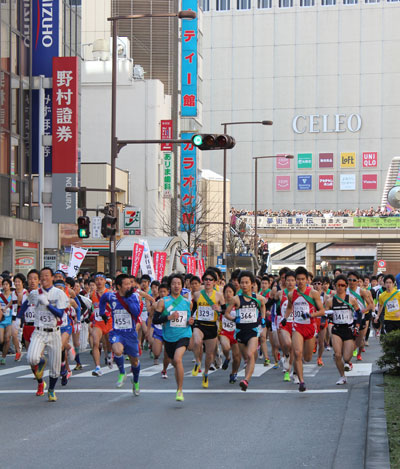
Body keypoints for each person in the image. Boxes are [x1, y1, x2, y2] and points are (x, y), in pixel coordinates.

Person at [26, 267, 70, 401]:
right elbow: (25, 304)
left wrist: (48, 304)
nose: (44, 278)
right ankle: (41, 362)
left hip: (54, 332)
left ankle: (51, 390)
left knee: (55, 368)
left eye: (47, 275)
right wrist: (19, 317)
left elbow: (60, 314)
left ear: (52, 278)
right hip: (39, 330)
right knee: (31, 358)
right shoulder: (35, 293)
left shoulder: (59, 293)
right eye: (42, 276)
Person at [99, 273, 142, 395]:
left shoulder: (133, 296)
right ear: (118, 286)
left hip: (130, 333)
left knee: (134, 361)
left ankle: (136, 381)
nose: (129, 286)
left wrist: (128, 299)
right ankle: (122, 373)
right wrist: (102, 312)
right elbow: (102, 299)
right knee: (117, 350)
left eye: (130, 283)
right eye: (126, 284)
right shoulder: (111, 296)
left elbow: (136, 312)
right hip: (117, 331)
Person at [153, 274, 194, 402]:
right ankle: (178, 386)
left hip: (184, 334)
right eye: (174, 283)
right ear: (170, 285)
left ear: (182, 286)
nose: (176, 286)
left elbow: (189, 319)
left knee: (178, 359)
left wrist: (191, 322)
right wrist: (168, 318)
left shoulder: (188, 303)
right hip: (169, 337)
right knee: (175, 362)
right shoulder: (163, 302)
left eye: (179, 284)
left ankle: (180, 390)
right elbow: (155, 320)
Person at [225, 270, 266, 391]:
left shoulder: (257, 298)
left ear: (252, 284)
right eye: (242, 282)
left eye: (246, 282)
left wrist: (262, 318)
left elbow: (262, 305)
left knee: (250, 354)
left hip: (253, 330)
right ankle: (246, 377)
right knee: (246, 358)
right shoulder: (236, 299)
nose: (244, 285)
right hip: (240, 331)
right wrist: (233, 319)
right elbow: (227, 313)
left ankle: (246, 380)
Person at [285, 267, 325, 392]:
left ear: (307, 280)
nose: (300, 281)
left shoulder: (313, 293)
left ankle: (300, 364)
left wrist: (311, 315)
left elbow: (322, 311)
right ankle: (301, 381)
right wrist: (285, 318)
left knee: (307, 358)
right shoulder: (292, 294)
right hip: (297, 327)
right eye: (298, 279)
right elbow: (289, 308)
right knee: (297, 353)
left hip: (310, 327)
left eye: (303, 279)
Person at [191, 270, 225, 388]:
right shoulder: (197, 294)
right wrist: (190, 317)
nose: (208, 282)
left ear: (215, 282)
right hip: (199, 324)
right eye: (206, 279)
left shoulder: (219, 296)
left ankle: (205, 374)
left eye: (210, 280)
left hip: (211, 326)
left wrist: (219, 309)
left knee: (210, 354)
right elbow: (193, 308)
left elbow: (225, 310)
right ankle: (197, 362)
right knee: (197, 341)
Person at [324, 275, 360, 385]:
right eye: (338, 285)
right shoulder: (330, 301)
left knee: (347, 357)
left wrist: (357, 325)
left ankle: (348, 362)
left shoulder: (351, 299)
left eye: (342, 285)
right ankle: (342, 376)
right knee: (338, 355)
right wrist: (328, 317)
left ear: (346, 287)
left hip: (348, 329)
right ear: (334, 286)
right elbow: (325, 314)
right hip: (336, 329)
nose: (340, 287)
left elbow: (359, 313)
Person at [90, 272, 113, 376]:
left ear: (105, 281)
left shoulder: (110, 293)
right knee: (95, 342)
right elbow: (91, 307)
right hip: (97, 323)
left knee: (109, 343)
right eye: (97, 279)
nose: (99, 281)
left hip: (108, 322)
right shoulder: (92, 294)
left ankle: (109, 354)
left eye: (101, 279)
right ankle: (97, 367)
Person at [219, 283, 241, 384]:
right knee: (226, 348)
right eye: (226, 292)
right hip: (224, 332)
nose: (228, 294)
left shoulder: (237, 304)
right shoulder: (221, 305)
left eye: (230, 292)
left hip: (236, 332)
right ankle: (227, 357)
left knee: (237, 357)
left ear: (234, 293)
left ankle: (234, 373)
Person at [278, 270, 296, 382]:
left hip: (296, 323)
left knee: (294, 348)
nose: (290, 282)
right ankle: (285, 355)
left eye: (292, 280)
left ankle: (289, 371)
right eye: (288, 280)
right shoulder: (280, 293)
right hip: (284, 322)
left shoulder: (299, 293)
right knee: (287, 344)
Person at [11, 273, 26, 361]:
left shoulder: (25, 293)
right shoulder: (13, 293)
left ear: (22, 283)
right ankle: (18, 351)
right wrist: (5, 308)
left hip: (23, 316)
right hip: (14, 315)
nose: (17, 283)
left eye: (18, 282)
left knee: (20, 335)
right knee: (14, 334)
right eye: (15, 282)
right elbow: (12, 303)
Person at [0, 278, 13, 365]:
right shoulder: (0, 295)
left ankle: (3, 357)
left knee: (7, 339)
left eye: (6, 284)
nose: (5, 286)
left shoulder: (13, 295)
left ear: (10, 286)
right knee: (1, 340)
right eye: (3, 284)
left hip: (10, 319)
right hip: (1, 319)